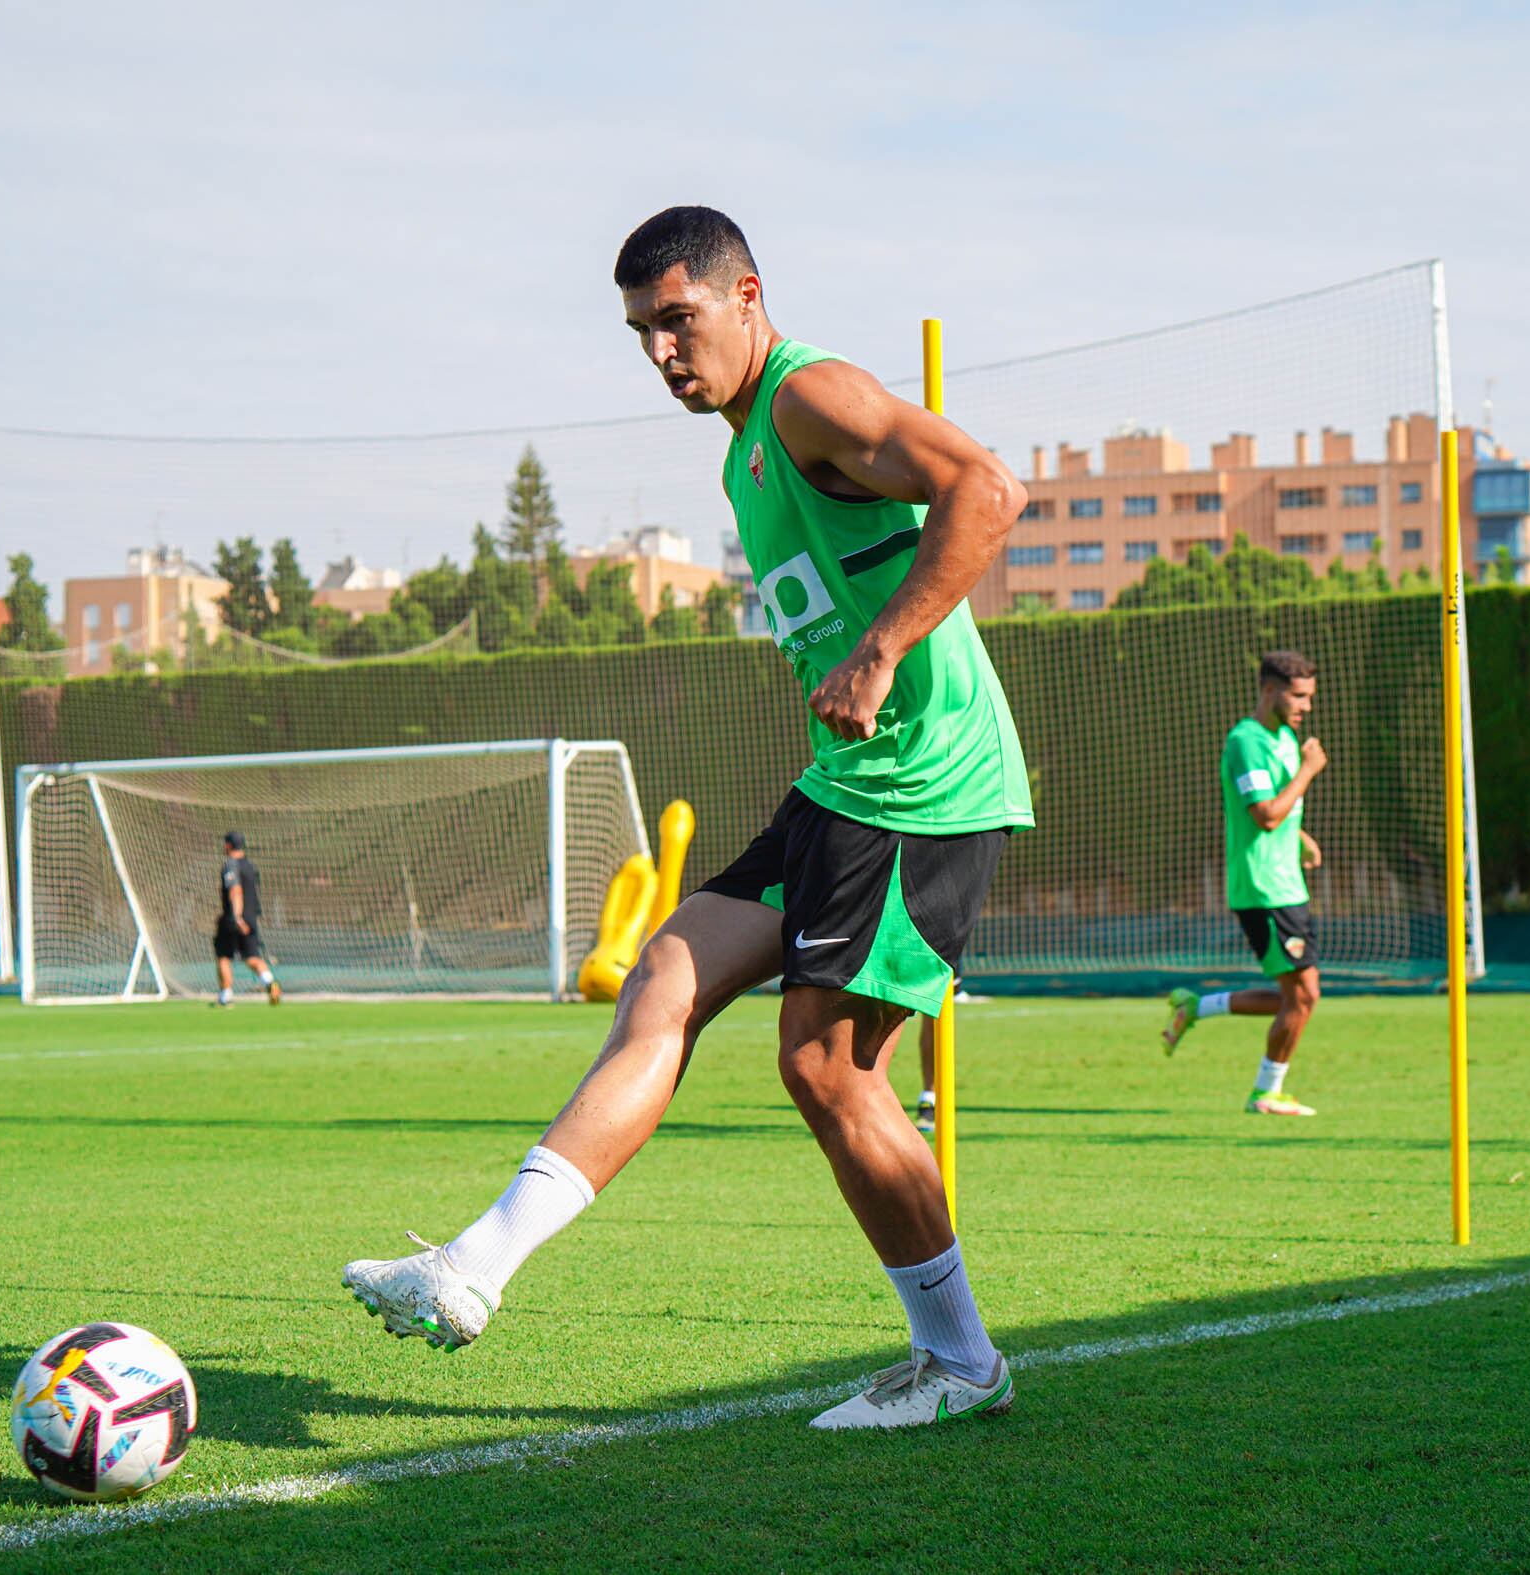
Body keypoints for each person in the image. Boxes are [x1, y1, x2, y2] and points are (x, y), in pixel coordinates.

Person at [342, 205, 1033, 1428]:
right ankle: (472, 1269)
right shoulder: (743, 450)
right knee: (666, 970)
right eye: (642, 333)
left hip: (925, 790)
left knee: (826, 1070)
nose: (663, 352)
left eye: (679, 319)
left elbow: (986, 486)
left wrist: (880, 651)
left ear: (746, 296)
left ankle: (961, 1362)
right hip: (843, 790)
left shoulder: (812, 395)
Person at [1160, 651, 1326, 1115]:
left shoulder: (1287, 738)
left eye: (1310, 697)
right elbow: (1265, 815)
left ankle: (1197, 1007)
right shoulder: (1245, 742)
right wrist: (1309, 772)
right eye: (1298, 696)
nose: (1306, 707)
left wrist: (1303, 840)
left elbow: (1280, 810)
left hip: (1287, 884)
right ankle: (1265, 1093)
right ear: (1269, 690)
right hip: (1262, 888)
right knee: (1304, 995)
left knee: (1299, 996)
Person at [213, 830, 281, 1007]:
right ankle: (269, 982)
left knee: (223, 956)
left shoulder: (231, 865)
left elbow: (236, 891)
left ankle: (226, 995)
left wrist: (236, 917)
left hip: (235, 918)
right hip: (251, 918)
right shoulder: (251, 867)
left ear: (228, 845)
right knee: (252, 957)